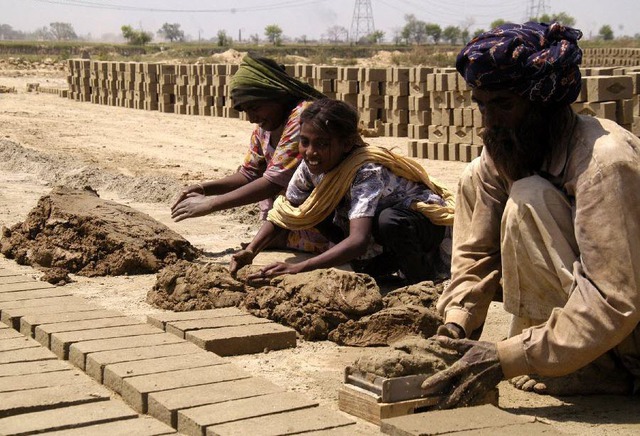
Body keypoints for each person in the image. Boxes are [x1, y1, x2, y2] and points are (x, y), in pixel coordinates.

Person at [420, 21, 640, 408]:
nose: (489, 121)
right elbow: (475, 253)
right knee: (485, 179)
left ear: (544, 103)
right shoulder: (502, 148)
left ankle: (601, 369)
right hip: (590, 321)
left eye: (504, 104)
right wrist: (456, 323)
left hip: (629, 330)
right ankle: (552, 352)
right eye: (481, 104)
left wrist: (507, 357)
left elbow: (615, 300)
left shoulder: (605, 163)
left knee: (529, 197)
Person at [229, 98, 455, 285]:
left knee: (390, 220)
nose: (310, 152)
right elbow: (285, 211)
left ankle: (420, 279)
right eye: (304, 142)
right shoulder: (311, 166)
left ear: (346, 145)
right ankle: (376, 265)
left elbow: (358, 239)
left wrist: (298, 268)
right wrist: (251, 251)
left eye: (322, 144)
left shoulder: (366, 170)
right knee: (313, 207)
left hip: (420, 228)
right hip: (378, 233)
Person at [171, 55, 328, 252]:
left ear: (277, 95)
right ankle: (282, 235)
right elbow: (249, 173)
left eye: (254, 108)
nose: (251, 118)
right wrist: (203, 188)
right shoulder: (265, 128)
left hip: (324, 214)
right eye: (245, 111)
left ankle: (289, 236)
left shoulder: (303, 117)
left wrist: (211, 204)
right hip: (293, 216)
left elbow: (273, 182)